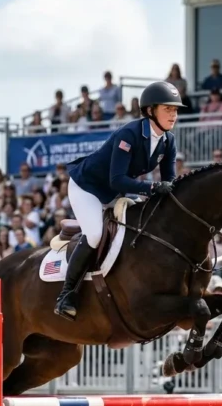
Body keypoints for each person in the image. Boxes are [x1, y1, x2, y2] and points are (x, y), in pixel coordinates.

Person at [57, 81, 184, 320]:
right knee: (94, 234)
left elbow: (170, 182)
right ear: (150, 111)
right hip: (88, 187)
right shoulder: (130, 134)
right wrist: (154, 187)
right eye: (168, 109)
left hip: (116, 192)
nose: (173, 115)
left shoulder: (168, 141)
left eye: (175, 110)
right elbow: (117, 180)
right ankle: (66, 294)